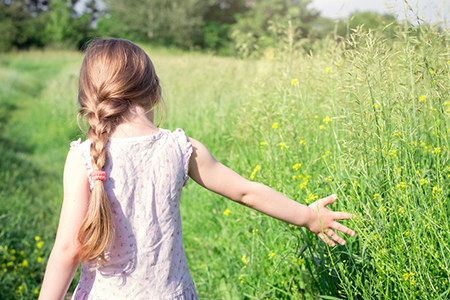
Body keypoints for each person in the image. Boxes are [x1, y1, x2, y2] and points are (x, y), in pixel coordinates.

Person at [39, 39, 355, 300]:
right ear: (153, 91)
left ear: (89, 97)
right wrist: (309, 216)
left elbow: (68, 248)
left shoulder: (83, 158)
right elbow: (246, 192)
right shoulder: (180, 148)